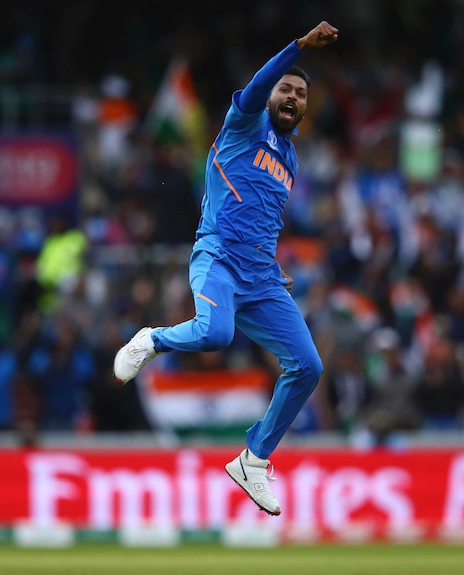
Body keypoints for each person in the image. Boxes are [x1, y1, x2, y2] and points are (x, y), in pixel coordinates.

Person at [114, 21, 339, 516]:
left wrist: (272, 266)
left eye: (301, 93)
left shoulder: (291, 157)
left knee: (309, 366)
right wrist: (299, 48)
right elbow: (259, 85)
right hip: (216, 256)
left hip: (260, 275)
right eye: (286, 88)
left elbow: (263, 213)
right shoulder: (244, 124)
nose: (292, 97)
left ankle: (254, 460)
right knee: (215, 334)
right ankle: (152, 339)